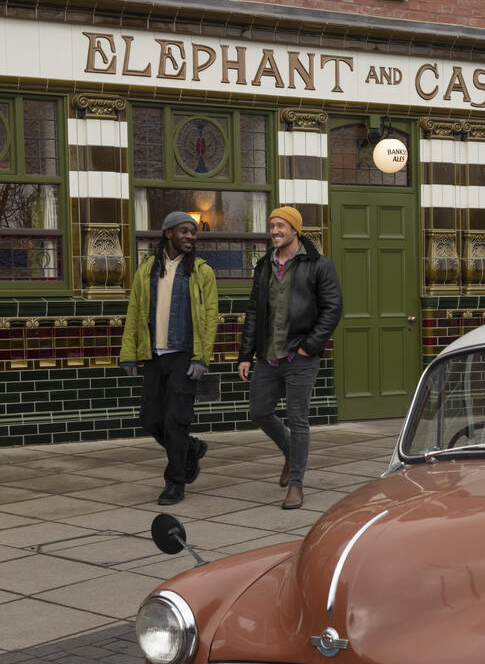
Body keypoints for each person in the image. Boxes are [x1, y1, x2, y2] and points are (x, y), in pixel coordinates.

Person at [238, 206, 343, 509]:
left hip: (300, 356)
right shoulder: (264, 267)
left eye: (281, 226)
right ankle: (289, 451)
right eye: (271, 226)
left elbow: (333, 309)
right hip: (268, 357)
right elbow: (254, 312)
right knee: (259, 412)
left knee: (298, 420)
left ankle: (296, 484)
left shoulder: (319, 265)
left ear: (295, 230)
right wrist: (246, 354)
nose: (274, 231)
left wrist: (309, 346)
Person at [120, 211, 218, 505]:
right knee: (151, 420)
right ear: (168, 234)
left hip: (185, 356)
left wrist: (202, 359)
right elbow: (135, 311)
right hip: (153, 355)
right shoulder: (147, 268)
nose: (191, 236)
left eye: (193, 232)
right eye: (185, 231)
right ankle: (190, 448)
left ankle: (175, 482)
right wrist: (128, 354)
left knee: (175, 420)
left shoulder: (202, 271)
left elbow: (211, 317)